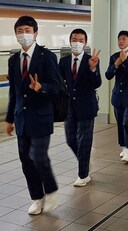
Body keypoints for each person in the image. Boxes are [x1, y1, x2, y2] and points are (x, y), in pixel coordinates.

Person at [6, 16, 60, 215]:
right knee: (26, 161)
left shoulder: (47, 57)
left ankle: (51, 189)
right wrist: (10, 119)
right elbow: (14, 92)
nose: (23, 34)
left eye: (27, 30)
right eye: (19, 30)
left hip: (41, 116)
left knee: (38, 156)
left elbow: (57, 87)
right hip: (21, 118)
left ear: (35, 33)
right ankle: (37, 197)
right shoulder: (13, 60)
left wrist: (41, 87)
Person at [58, 28, 101, 186]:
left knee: (84, 140)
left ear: (85, 43)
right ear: (70, 42)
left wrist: (92, 69)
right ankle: (85, 158)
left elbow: (97, 83)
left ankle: (83, 175)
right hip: (69, 107)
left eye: (80, 40)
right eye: (74, 40)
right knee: (70, 140)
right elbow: (58, 82)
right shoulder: (63, 61)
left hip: (86, 106)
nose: (77, 43)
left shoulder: (92, 59)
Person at [105, 31, 128, 163]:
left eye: (124, 39)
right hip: (117, 96)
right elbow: (108, 75)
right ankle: (124, 146)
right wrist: (116, 64)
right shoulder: (114, 56)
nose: (121, 41)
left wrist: (125, 61)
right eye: (119, 39)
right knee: (120, 123)